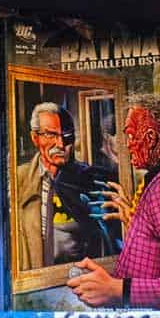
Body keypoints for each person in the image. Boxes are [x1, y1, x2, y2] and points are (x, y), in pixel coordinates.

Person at [67, 95, 160, 309]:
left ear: (150, 139)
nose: (127, 146)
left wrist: (115, 289)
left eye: (130, 136)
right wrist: (137, 228)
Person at [15, 103, 119, 271]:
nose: (61, 144)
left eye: (67, 136)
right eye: (50, 135)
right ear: (35, 138)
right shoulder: (18, 179)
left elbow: (109, 241)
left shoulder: (92, 179)